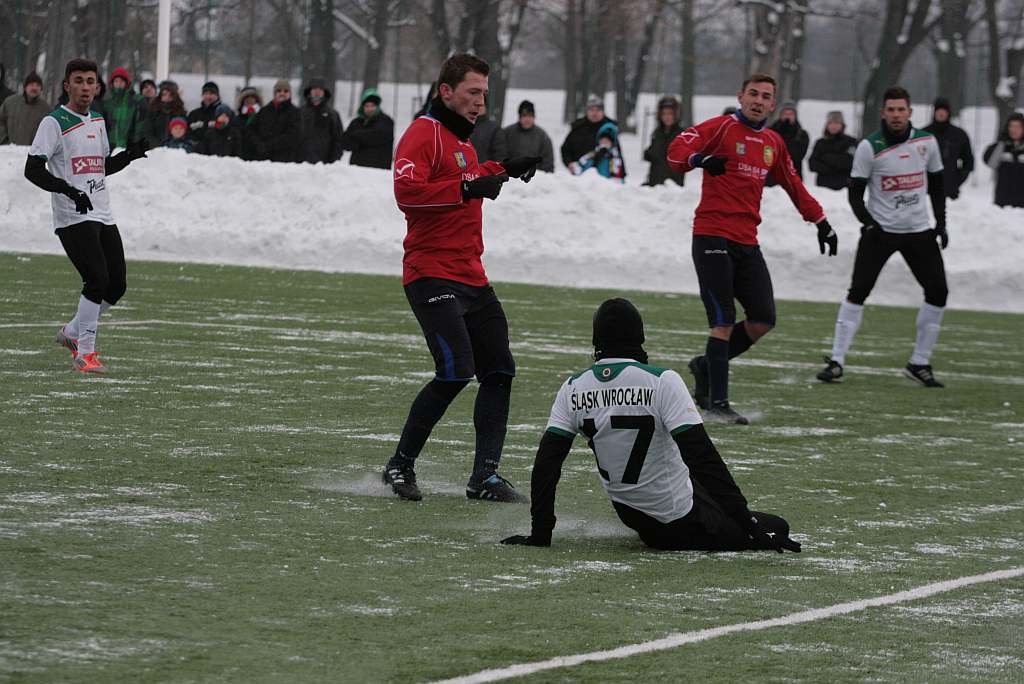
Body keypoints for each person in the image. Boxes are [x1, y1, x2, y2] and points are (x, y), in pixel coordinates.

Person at [500, 298, 802, 552]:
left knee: (690, 482)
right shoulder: (661, 380)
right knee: (777, 527)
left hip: (631, 512)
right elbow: (702, 456)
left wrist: (541, 532)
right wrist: (745, 521)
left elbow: (546, 465)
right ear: (638, 337)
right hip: (676, 520)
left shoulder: (572, 386)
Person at [384, 53, 542, 502]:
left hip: (472, 277)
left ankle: (484, 477)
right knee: (455, 372)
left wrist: (502, 169)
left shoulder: (463, 142)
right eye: (473, 93)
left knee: (499, 371)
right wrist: (468, 188)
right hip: (430, 275)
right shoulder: (422, 133)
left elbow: (467, 175)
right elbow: (407, 195)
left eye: (485, 95)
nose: (480, 103)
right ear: (446, 91)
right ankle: (399, 465)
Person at [667, 73, 835, 425]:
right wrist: (700, 160)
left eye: (766, 96)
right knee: (723, 320)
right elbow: (676, 151)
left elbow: (794, 184)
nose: (758, 101)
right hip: (712, 236)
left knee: (763, 319)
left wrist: (820, 221)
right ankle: (717, 403)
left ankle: (705, 365)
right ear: (740, 96)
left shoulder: (773, 141)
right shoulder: (721, 128)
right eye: (753, 94)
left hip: (747, 241)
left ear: (773, 104)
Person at [23, 58, 148, 373]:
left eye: (90, 81)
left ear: (97, 86)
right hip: (72, 216)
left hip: (102, 212)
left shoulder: (98, 120)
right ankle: (85, 354)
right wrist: (68, 190)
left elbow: (99, 167)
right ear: (67, 86)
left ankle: (72, 333)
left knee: (116, 285)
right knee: (96, 279)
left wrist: (128, 157)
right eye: (78, 80)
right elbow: (32, 169)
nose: (85, 87)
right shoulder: (54, 123)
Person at [817, 86, 947, 388]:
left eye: (902, 109)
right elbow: (855, 192)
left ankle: (920, 362)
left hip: (919, 232)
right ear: (883, 113)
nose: (897, 115)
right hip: (881, 233)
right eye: (891, 110)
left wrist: (941, 223)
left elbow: (938, 185)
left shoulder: (927, 142)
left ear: (910, 112)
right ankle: (836, 361)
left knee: (938, 292)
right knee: (858, 291)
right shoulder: (868, 147)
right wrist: (868, 223)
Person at [923, 97, 973, 200]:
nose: (941, 114)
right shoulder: (924, 135)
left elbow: (968, 161)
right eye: (938, 110)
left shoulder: (959, 135)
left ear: (948, 112)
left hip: (951, 191)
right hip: (927, 191)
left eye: (944, 111)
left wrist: (957, 180)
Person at [561, 94, 618, 173]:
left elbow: (617, 153)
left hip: (605, 174)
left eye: (598, 110)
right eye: (591, 110)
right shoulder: (578, 127)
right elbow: (566, 149)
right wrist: (569, 163)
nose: (594, 113)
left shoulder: (609, 129)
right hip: (580, 172)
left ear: (603, 112)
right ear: (587, 111)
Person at [342, 88, 394, 169]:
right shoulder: (356, 122)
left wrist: (356, 136)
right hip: (356, 170)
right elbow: (345, 143)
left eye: (372, 106)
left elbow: (378, 136)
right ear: (362, 107)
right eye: (367, 106)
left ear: (377, 106)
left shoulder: (386, 121)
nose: (370, 109)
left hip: (378, 171)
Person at [982, 112, 1024, 209]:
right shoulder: (1000, 147)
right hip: (1002, 204)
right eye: (1011, 126)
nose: (1014, 130)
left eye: (1018, 127)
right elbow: (989, 162)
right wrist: (1001, 145)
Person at [253, 79, 300, 162]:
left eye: (286, 91)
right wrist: (258, 144)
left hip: (285, 161)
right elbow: (253, 130)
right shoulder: (264, 111)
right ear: (274, 93)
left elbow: (293, 136)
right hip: (264, 160)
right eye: (279, 91)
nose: (282, 93)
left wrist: (269, 145)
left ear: (290, 94)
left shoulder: (295, 113)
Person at [808, 111, 857, 191]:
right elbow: (812, 164)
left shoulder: (851, 142)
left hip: (844, 189)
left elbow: (851, 162)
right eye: (831, 123)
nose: (834, 126)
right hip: (822, 189)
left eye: (837, 123)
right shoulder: (820, 143)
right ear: (827, 125)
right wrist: (831, 168)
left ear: (842, 125)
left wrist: (827, 158)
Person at [643, 95, 685, 187]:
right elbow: (654, 154)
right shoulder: (657, 133)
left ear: (676, 115)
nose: (667, 117)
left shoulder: (681, 134)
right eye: (664, 114)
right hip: (655, 181)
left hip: (673, 183)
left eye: (670, 113)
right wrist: (648, 154)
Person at [300, 77, 344, 164]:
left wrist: (334, 161)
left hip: (325, 164)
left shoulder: (333, 114)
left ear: (324, 92)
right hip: (302, 164)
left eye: (320, 89)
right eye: (314, 89)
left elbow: (338, 140)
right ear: (310, 91)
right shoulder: (300, 112)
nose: (317, 92)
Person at [502, 100, 554, 173]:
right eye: (524, 115)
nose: (527, 119)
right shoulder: (507, 133)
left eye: (530, 116)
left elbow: (547, 161)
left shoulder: (542, 136)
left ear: (534, 117)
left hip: (536, 178)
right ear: (519, 116)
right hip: (511, 177)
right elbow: (501, 155)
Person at [765, 101, 809, 186]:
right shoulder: (769, 132)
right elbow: (768, 154)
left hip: (793, 177)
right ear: (780, 115)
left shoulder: (802, 135)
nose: (788, 116)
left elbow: (797, 155)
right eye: (785, 113)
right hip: (772, 177)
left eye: (791, 114)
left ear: (795, 116)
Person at [0, 72, 50, 145]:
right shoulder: (10, 103)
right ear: (25, 87)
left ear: (41, 89)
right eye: (31, 85)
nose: (34, 88)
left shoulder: (45, 109)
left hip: (32, 153)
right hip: (9, 151)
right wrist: (4, 140)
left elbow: (49, 132)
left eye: (38, 85)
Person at [187, 81, 235, 157]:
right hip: (196, 156)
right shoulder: (194, 114)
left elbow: (231, 134)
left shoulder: (225, 113)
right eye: (206, 94)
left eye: (212, 94)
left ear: (217, 96)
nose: (208, 97)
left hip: (218, 156)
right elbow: (188, 134)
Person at [104, 67, 144, 150]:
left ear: (127, 83)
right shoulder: (107, 104)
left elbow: (139, 126)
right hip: (111, 147)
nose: (119, 84)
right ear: (112, 83)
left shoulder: (135, 101)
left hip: (129, 147)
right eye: (116, 81)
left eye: (122, 81)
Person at [143, 80, 186, 149]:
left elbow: (183, 133)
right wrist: (157, 146)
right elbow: (147, 132)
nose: (167, 97)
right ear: (160, 95)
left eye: (170, 95)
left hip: (175, 150)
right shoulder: (153, 111)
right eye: (164, 94)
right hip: (155, 150)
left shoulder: (181, 113)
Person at [235, 85, 263, 160]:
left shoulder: (263, 118)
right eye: (247, 98)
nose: (250, 100)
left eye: (252, 98)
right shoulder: (237, 120)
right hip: (241, 158)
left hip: (259, 159)